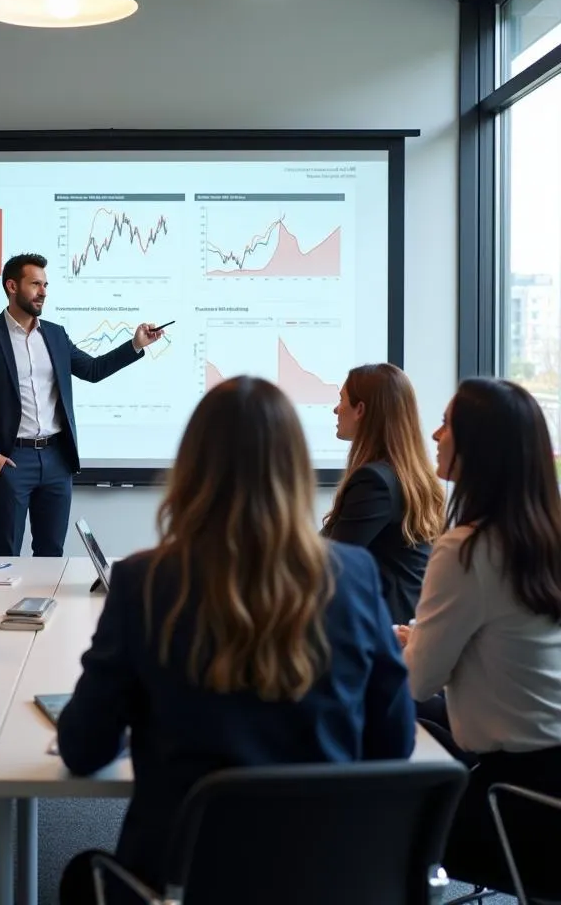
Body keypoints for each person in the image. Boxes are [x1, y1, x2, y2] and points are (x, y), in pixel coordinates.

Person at [57, 377, 415, 903]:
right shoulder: (354, 575)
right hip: (325, 879)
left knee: (79, 877)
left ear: (193, 469)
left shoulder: (144, 581)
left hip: (183, 882)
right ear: (294, 470)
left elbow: (83, 748)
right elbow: (394, 743)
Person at [397, 378, 561, 895]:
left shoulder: (467, 549)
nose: (435, 433)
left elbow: (419, 682)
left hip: (516, 805)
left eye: (447, 423)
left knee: (377, 788)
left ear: (478, 447)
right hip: (547, 783)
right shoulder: (544, 537)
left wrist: (410, 647)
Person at [0, 252, 162, 557]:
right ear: (12, 286)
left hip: (56, 460)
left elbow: (92, 371)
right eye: (35, 284)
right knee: (6, 550)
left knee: (51, 552)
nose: (43, 292)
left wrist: (135, 345)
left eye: (45, 285)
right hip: (12, 460)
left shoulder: (54, 334)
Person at [321, 363, 445, 624]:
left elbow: (332, 560)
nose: (335, 409)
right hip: (406, 618)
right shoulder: (405, 473)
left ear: (360, 410)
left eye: (341, 400)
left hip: (383, 627)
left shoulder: (374, 480)